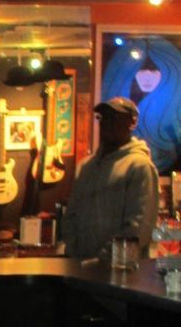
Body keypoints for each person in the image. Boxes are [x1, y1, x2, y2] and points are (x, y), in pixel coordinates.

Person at [60, 96, 160, 260]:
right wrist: (73, 252)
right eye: (102, 117)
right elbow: (71, 215)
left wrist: (103, 259)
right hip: (80, 270)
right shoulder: (85, 167)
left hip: (121, 274)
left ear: (132, 123)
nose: (106, 123)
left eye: (114, 117)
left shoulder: (140, 167)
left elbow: (138, 227)